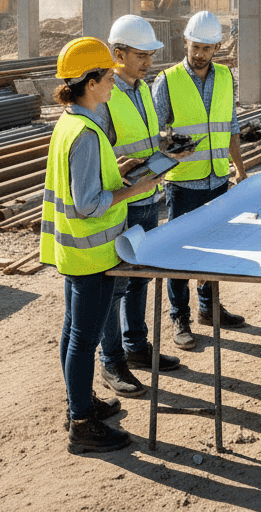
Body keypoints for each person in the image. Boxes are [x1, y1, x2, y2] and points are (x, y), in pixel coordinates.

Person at [40, 37, 171, 454]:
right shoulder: (87, 133)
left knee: (72, 331)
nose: (115, 83)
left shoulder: (71, 123)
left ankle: (78, 405)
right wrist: (136, 191)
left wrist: (120, 168)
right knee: (83, 338)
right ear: (92, 82)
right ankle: (82, 425)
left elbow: (88, 181)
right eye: (109, 77)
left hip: (74, 249)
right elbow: (89, 203)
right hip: (92, 252)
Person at [97, 15, 182, 396]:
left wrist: (166, 148)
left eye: (151, 55)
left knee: (139, 281)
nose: (149, 61)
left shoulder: (144, 88)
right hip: (121, 203)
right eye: (142, 55)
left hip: (149, 197)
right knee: (114, 288)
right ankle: (110, 361)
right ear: (118, 53)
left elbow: (143, 142)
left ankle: (136, 347)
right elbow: (99, 157)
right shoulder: (103, 95)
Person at [152, 10, 248, 349]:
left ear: (218, 46)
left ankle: (209, 308)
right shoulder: (168, 80)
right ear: (185, 43)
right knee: (180, 254)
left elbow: (231, 127)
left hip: (217, 180)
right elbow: (154, 133)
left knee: (214, 250)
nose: (200, 54)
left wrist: (239, 167)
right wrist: (168, 143)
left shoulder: (225, 77)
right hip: (183, 183)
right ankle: (181, 317)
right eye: (195, 46)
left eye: (207, 48)